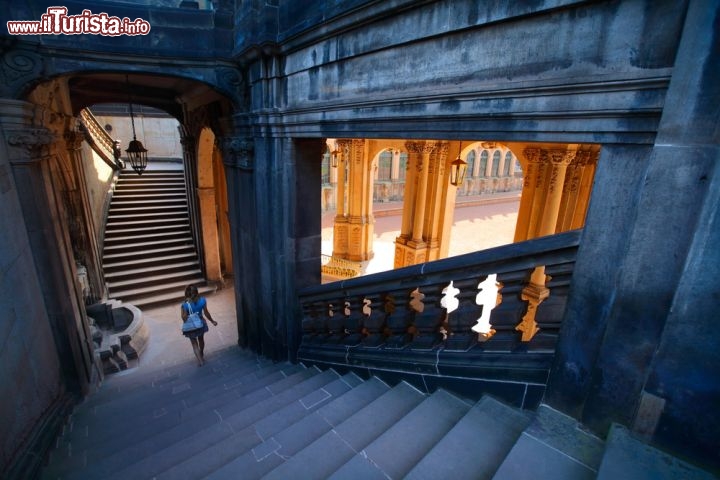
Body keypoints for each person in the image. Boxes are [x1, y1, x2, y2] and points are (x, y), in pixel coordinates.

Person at [180, 285, 217, 366]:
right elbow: (206, 313)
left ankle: (200, 361)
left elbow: (184, 319)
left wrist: (184, 308)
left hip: (191, 327)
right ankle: (201, 353)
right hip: (201, 324)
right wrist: (212, 321)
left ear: (186, 294)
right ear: (196, 292)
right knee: (201, 340)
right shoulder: (202, 300)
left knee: (194, 343)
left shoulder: (184, 305)